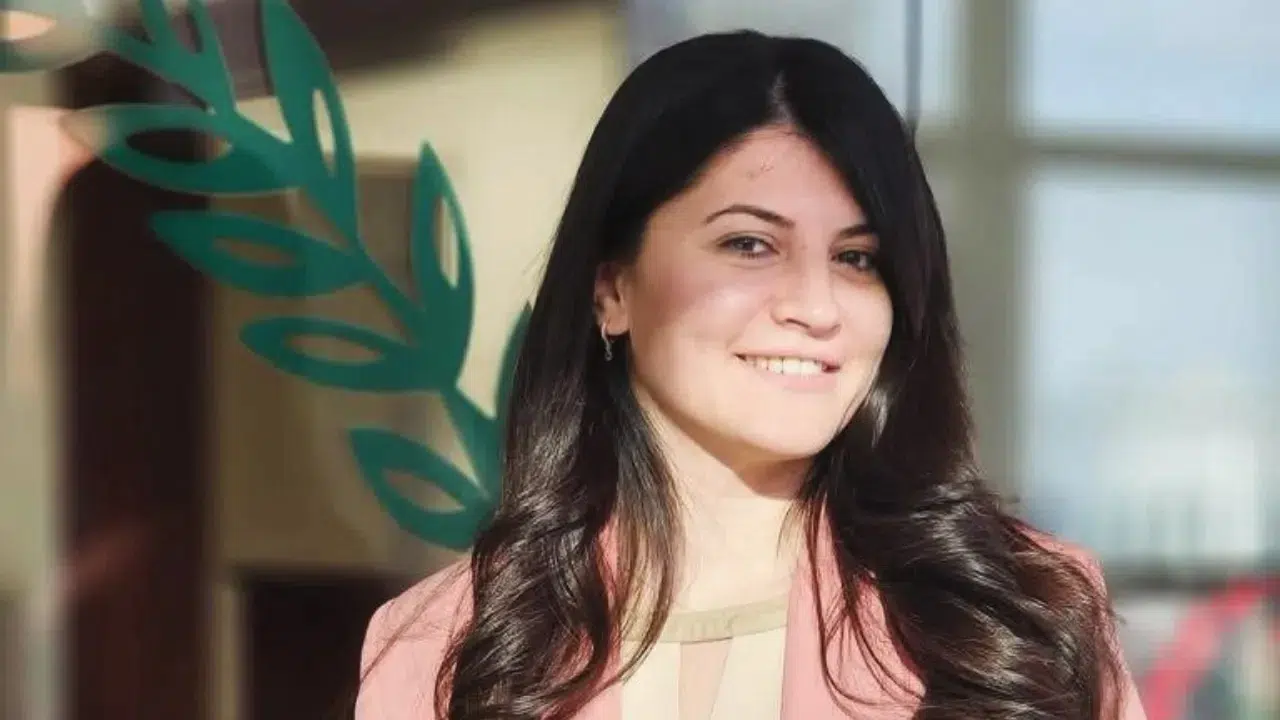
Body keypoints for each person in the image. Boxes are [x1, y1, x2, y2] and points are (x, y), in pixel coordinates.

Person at [355, 30, 1147, 720]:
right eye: (749, 244)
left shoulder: (1022, 618)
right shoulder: (445, 645)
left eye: (856, 258)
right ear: (612, 290)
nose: (816, 306)